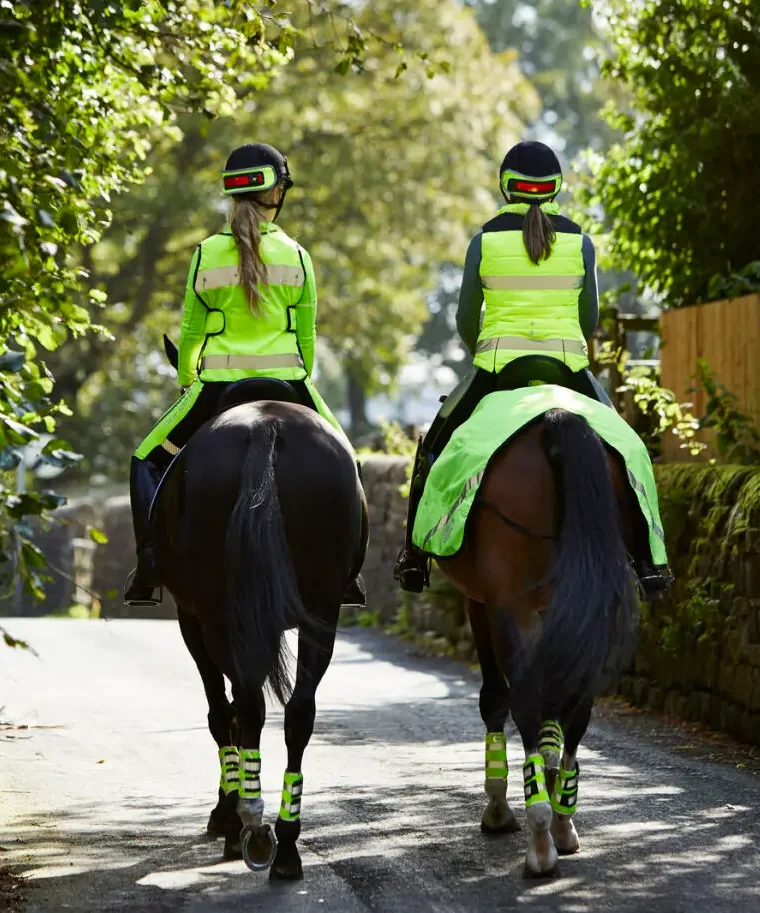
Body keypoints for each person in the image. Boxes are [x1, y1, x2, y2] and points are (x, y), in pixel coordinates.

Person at [394, 140, 670, 599]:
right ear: (555, 186)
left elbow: (466, 319)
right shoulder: (580, 243)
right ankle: (648, 564)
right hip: (568, 368)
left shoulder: (483, 241)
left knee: (435, 447)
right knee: (630, 448)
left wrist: (484, 349)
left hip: (499, 367)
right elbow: (589, 320)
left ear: (507, 187)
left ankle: (415, 557)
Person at [124, 142, 365, 608]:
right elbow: (306, 338)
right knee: (348, 460)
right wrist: (299, 375)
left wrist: (188, 376)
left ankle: (150, 566)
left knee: (145, 458)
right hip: (291, 382)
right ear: (277, 193)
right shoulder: (297, 255)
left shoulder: (205, 254)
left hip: (216, 389)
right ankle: (349, 572)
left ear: (232, 193)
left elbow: (191, 331)